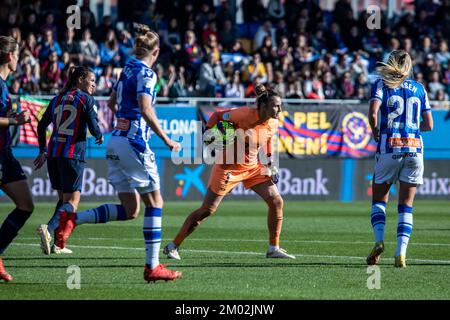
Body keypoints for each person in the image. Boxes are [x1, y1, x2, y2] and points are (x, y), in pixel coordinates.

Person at [55, 27, 182, 283]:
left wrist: (124, 120)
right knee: (155, 204)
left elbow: (112, 102)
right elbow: (146, 109)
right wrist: (166, 139)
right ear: (156, 52)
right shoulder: (147, 74)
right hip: (134, 143)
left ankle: (71, 219)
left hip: (116, 141)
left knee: (131, 209)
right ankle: (152, 266)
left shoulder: (127, 69)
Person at [164, 84, 295, 260]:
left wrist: (271, 165)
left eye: (280, 105)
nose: (280, 109)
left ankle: (273, 248)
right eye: (276, 105)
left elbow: (268, 142)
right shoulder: (243, 114)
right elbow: (218, 115)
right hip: (228, 167)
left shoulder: (274, 122)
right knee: (207, 210)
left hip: (253, 167)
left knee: (276, 201)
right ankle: (173, 246)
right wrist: (209, 133)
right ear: (263, 106)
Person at [367, 50, 433, 268]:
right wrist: (412, 129)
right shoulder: (420, 88)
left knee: (379, 200)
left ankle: (378, 241)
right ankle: (401, 253)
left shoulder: (381, 84)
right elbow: (430, 125)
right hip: (415, 150)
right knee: (406, 205)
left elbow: (373, 112)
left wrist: (376, 130)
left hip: (389, 147)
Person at [34, 66, 103, 255]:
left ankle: (57, 243)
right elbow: (92, 123)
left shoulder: (57, 99)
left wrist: (42, 150)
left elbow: (41, 126)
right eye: (92, 80)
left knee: (63, 200)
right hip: (72, 154)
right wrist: (99, 135)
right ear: (80, 79)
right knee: (72, 201)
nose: (94, 85)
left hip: (54, 155)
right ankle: (48, 229)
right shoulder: (85, 99)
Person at [0, 36, 34, 282]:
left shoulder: (4, 84)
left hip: (5, 153)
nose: (20, 60)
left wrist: (10, 115)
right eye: (18, 55)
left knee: (26, 204)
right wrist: (14, 121)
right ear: (9, 56)